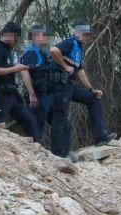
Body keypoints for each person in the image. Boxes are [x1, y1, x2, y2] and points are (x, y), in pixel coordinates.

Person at [48, 21, 116, 157]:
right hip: (59, 85)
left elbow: (80, 71)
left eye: (88, 35)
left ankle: (100, 136)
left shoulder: (79, 48)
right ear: (77, 32)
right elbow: (53, 50)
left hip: (69, 86)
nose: (87, 37)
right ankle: (58, 153)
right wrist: (65, 66)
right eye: (85, 34)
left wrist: (91, 89)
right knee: (60, 116)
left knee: (92, 99)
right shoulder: (70, 42)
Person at [0, 22, 39, 140]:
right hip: (1, 94)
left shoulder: (10, 52)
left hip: (12, 95)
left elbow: (22, 71)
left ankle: (37, 150)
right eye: (17, 37)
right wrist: (15, 68)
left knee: (31, 121)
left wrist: (32, 93)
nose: (16, 41)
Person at [20, 25, 54, 144]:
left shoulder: (41, 52)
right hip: (36, 96)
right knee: (34, 129)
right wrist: (31, 94)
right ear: (36, 37)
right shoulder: (31, 52)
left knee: (45, 124)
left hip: (44, 95)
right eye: (43, 35)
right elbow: (24, 72)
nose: (45, 37)